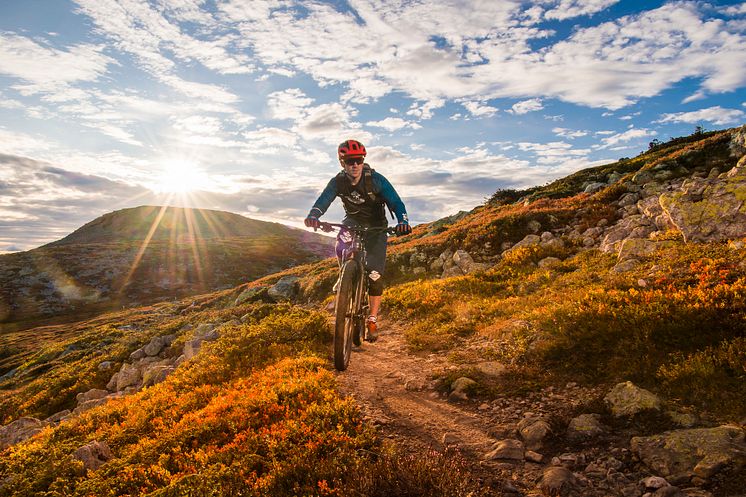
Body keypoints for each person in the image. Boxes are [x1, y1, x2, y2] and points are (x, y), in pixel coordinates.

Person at [304, 139, 411, 342]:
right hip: (351, 222)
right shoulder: (338, 181)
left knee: (375, 275)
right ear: (342, 163)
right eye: (350, 160)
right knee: (341, 243)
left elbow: (396, 202)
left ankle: (372, 319)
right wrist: (313, 216)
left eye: (359, 160)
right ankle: (344, 273)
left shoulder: (376, 180)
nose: (355, 165)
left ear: (363, 161)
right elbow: (323, 200)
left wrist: (403, 221)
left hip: (377, 226)